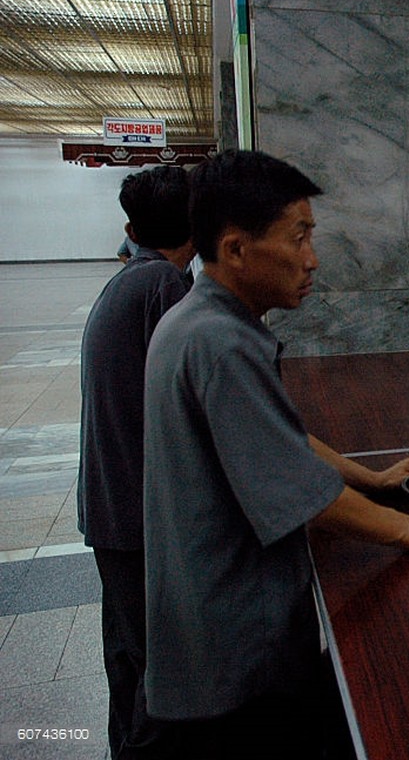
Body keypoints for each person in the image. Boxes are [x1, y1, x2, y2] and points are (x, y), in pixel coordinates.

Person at [142, 150, 409, 759]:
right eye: (298, 238)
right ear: (235, 249)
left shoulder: (201, 323)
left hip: (212, 637)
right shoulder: (219, 341)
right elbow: (293, 491)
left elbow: (278, 440)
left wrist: (372, 477)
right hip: (236, 652)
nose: (312, 259)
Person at [78, 165, 194, 759]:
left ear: (131, 228)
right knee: (160, 671)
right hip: (135, 512)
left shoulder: (128, 281)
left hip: (108, 503)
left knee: (127, 657)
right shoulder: (165, 288)